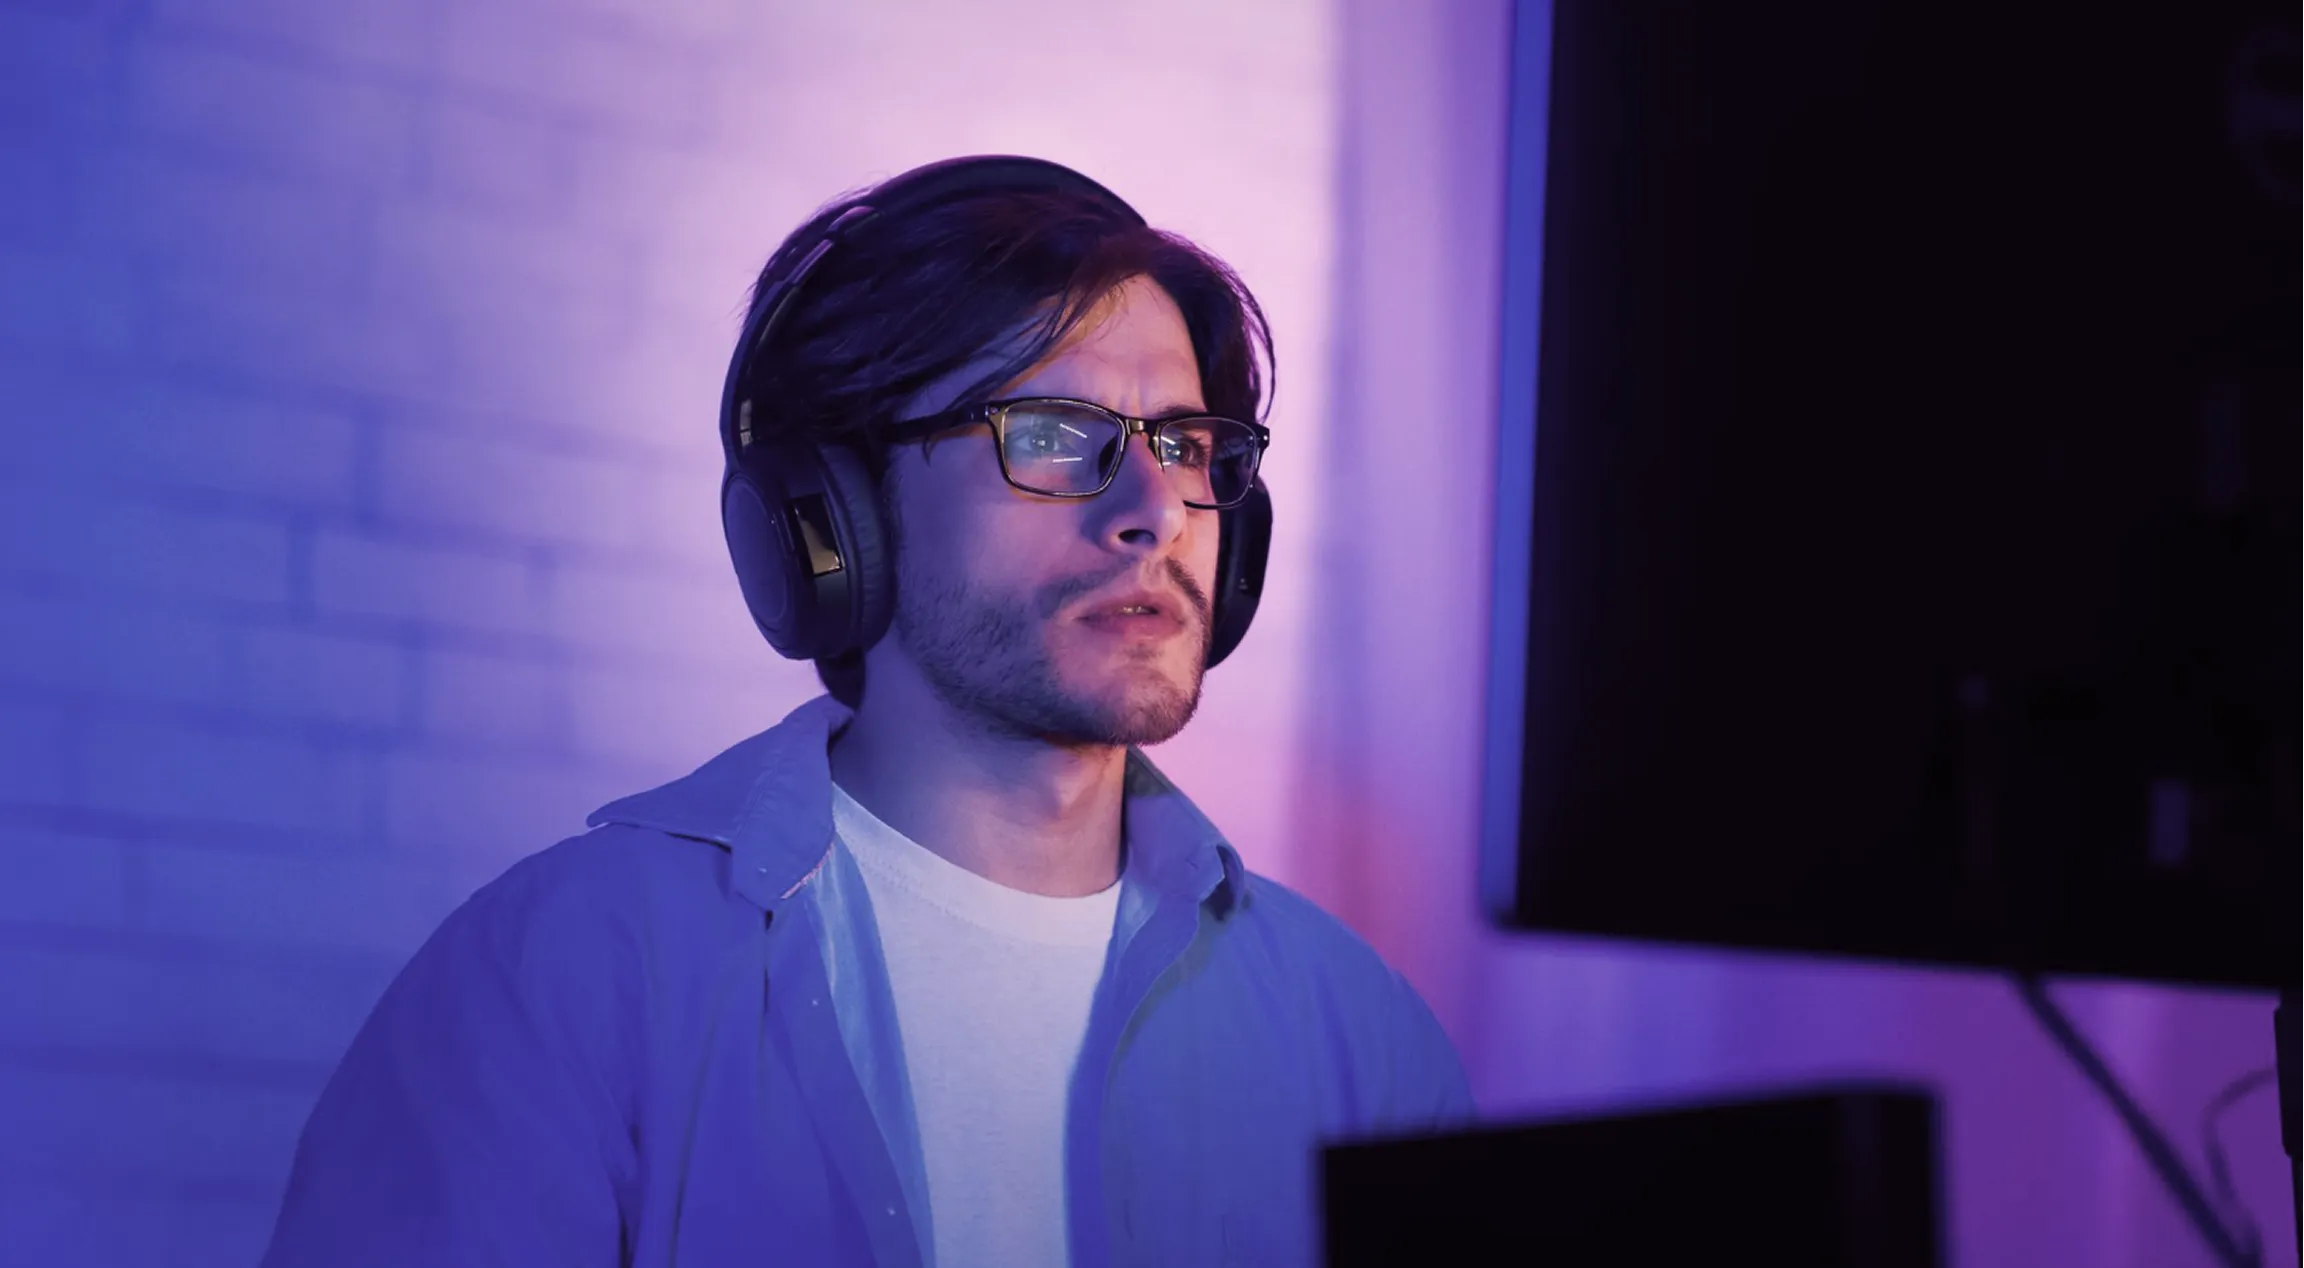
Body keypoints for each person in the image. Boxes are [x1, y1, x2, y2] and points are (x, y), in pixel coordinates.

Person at [259, 155, 1472, 1268]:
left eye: (1189, 443)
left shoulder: (1355, 1032)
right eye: (1054, 436)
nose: (1155, 509)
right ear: (834, 520)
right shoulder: (563, 977)